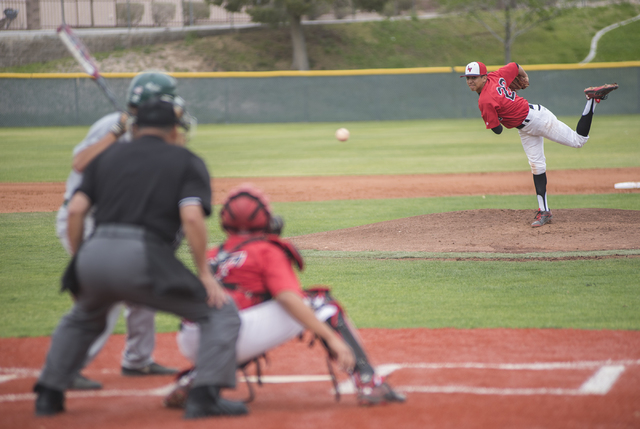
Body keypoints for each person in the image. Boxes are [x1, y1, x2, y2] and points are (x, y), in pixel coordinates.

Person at [35, 97, 248, 419]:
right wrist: (204, 273)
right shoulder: (186, 160)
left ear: (134, 127)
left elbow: (76, 210)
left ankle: (48, 395)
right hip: (143, 255)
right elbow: (191, 217)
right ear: (175, 129)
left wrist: (81, 258)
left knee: (83, 316)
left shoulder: (105, 158)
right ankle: (205, 397)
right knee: (220, 313)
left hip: (94, 251)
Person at [164, 184, 406, 407]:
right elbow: (289, 298)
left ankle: (197, 378)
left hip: (191, 339)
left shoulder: (213, 253)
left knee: (248, 310)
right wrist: (330, 338)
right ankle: (368, 381)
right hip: (229, 335)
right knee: (320, 303)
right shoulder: (266, 250)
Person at [55, 71, 181, 389]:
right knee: (103, 295)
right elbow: (80, 163)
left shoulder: (153, 132)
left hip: (119, 223)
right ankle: (67, 370)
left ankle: (138, 361)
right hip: (85, 221)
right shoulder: (110, 125)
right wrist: (116, 131)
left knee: (143, 289)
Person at [462, 61, 618, 227]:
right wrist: (524, 76)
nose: (470, 81)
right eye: (467, 78)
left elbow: (497, 130)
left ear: (484, 77)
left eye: (474, 77)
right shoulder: (496, 75)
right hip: (525, 127)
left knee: (578, 141)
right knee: (537, 166)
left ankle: (591, 100)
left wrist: (496, 113)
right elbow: (515, 66)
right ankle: (544, 211)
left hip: (538, 120)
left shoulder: (485, 101)